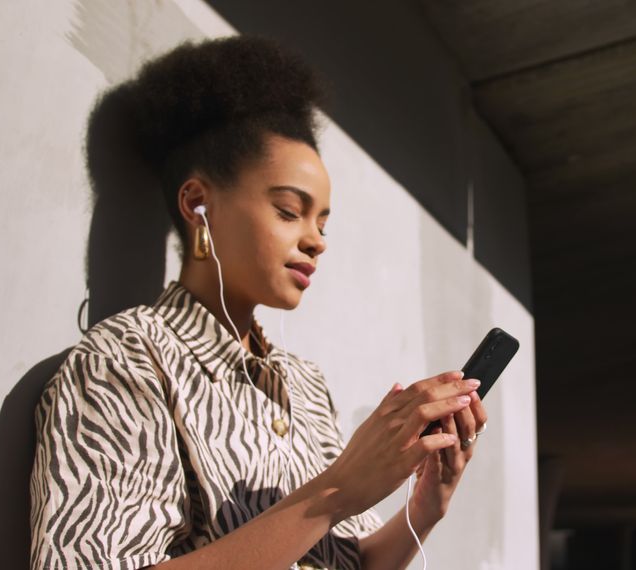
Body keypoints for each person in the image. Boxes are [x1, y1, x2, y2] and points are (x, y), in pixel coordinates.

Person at [29, 35, 488, 570]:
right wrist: (336, 491)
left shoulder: (304, 385)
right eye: (290, 211)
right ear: (199, 205)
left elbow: (346, 563)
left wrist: (428, 504)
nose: (317, 241)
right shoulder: (124, 361)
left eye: (322, 222)